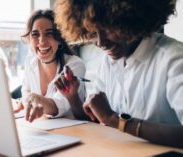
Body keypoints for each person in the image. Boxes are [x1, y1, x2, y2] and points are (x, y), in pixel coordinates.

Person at [54, 0, 183, 147]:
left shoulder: (175, 59)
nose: (100, 42)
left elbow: (110, 119)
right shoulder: (107, 62)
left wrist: (116, 120)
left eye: (108, 29)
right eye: (93, 33)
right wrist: (73, 98)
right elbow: (97, 120)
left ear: (132, 20)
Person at [14, 9, 88, 122]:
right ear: (29, 39)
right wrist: (27, 99)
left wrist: (34, 99)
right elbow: (26, 90)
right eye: (35, 34)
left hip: (73, 131)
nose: (42, 41)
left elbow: (59, 106)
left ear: (59, 39)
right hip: (42, 127)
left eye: (49, 33)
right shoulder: (30, 61)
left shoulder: (74, 65)